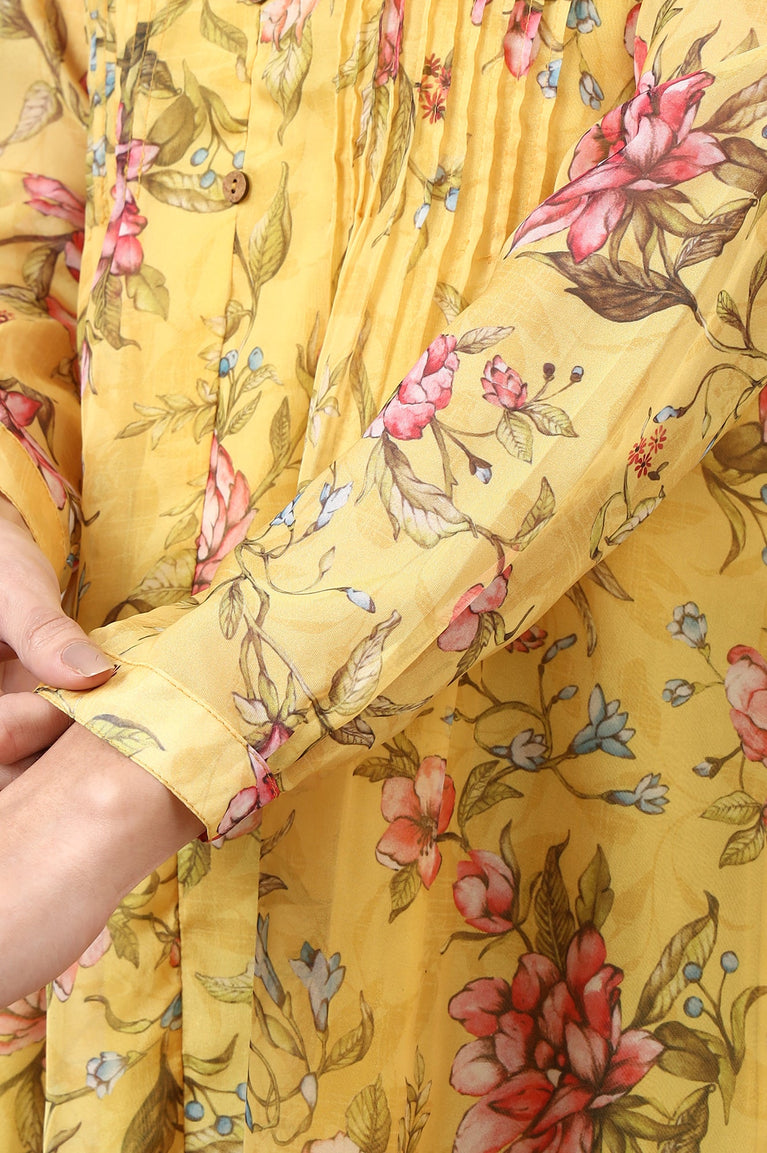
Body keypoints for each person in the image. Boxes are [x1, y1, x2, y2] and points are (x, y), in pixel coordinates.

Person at [1, 0, 766, 1149]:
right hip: (56, 845)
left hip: (533, 809)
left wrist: (143, 763)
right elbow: (30, 190)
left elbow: (712, 183)